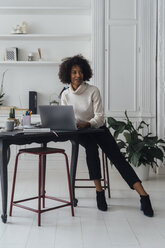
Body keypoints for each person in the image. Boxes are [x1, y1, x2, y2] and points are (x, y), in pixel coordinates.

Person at [58, 54, 154, 217]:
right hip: (81, 133)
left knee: (118, 159)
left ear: (85, 73)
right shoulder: (65, 95)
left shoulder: (93, 91)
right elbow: (67, 117)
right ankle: (99, 191)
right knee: (91, 148)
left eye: (80, 72)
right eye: (74, 72)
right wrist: (76, 125)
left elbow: (100, 117)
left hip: (98, 128)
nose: (77, 76)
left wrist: (87, 123)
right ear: (68, 74)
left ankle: (144, 196)